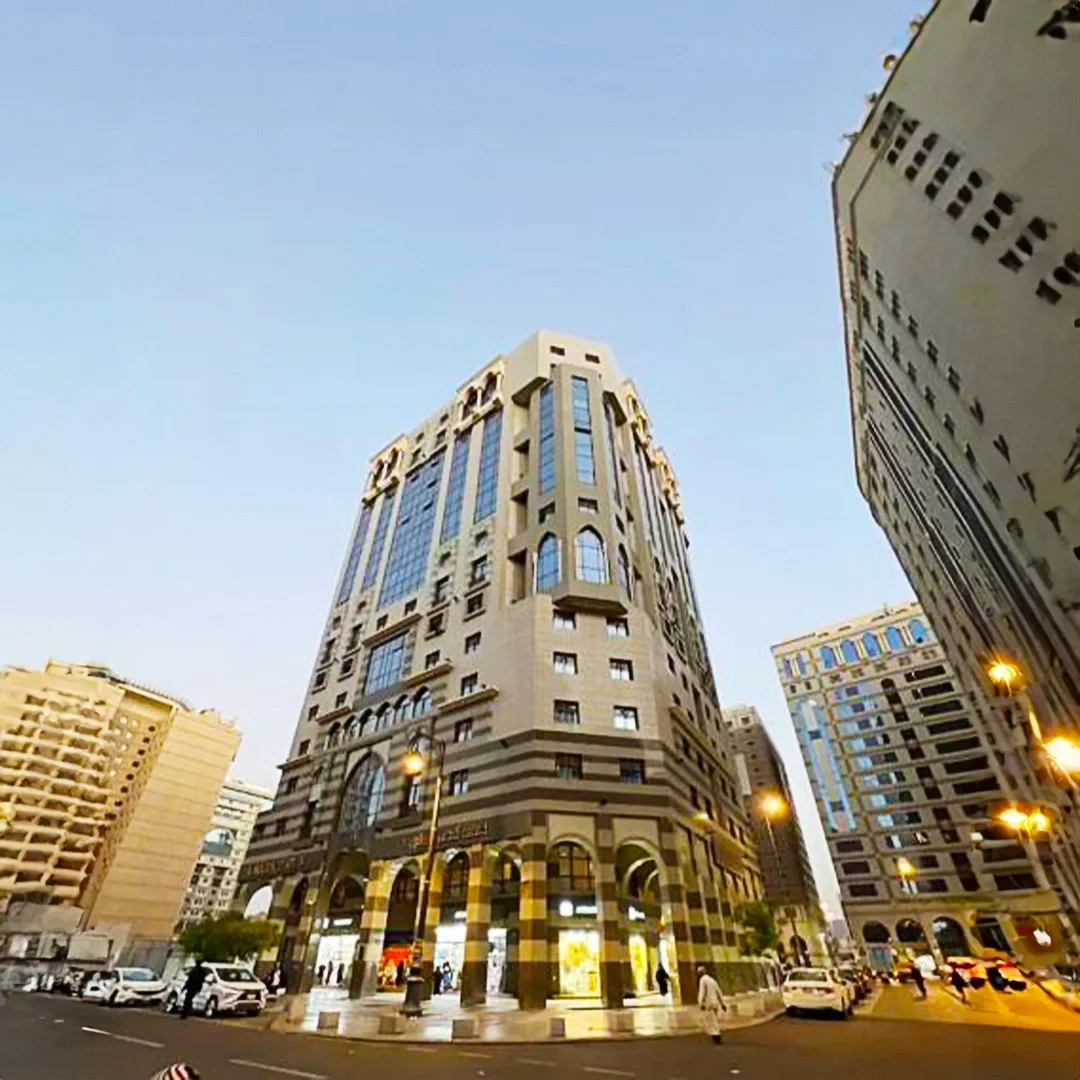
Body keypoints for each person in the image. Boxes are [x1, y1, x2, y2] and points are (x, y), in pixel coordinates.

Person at [696, 965, 727, 1045]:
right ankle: (717, 1035)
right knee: (715, 1020)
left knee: (711, 1021)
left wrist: (701, 1003)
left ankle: (716, 1037)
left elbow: (702, 992)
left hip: (708, 1003)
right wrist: (722, 1003)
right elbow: (718, 992)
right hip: (715, 1003)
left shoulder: (703, 980)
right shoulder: (712, 980)